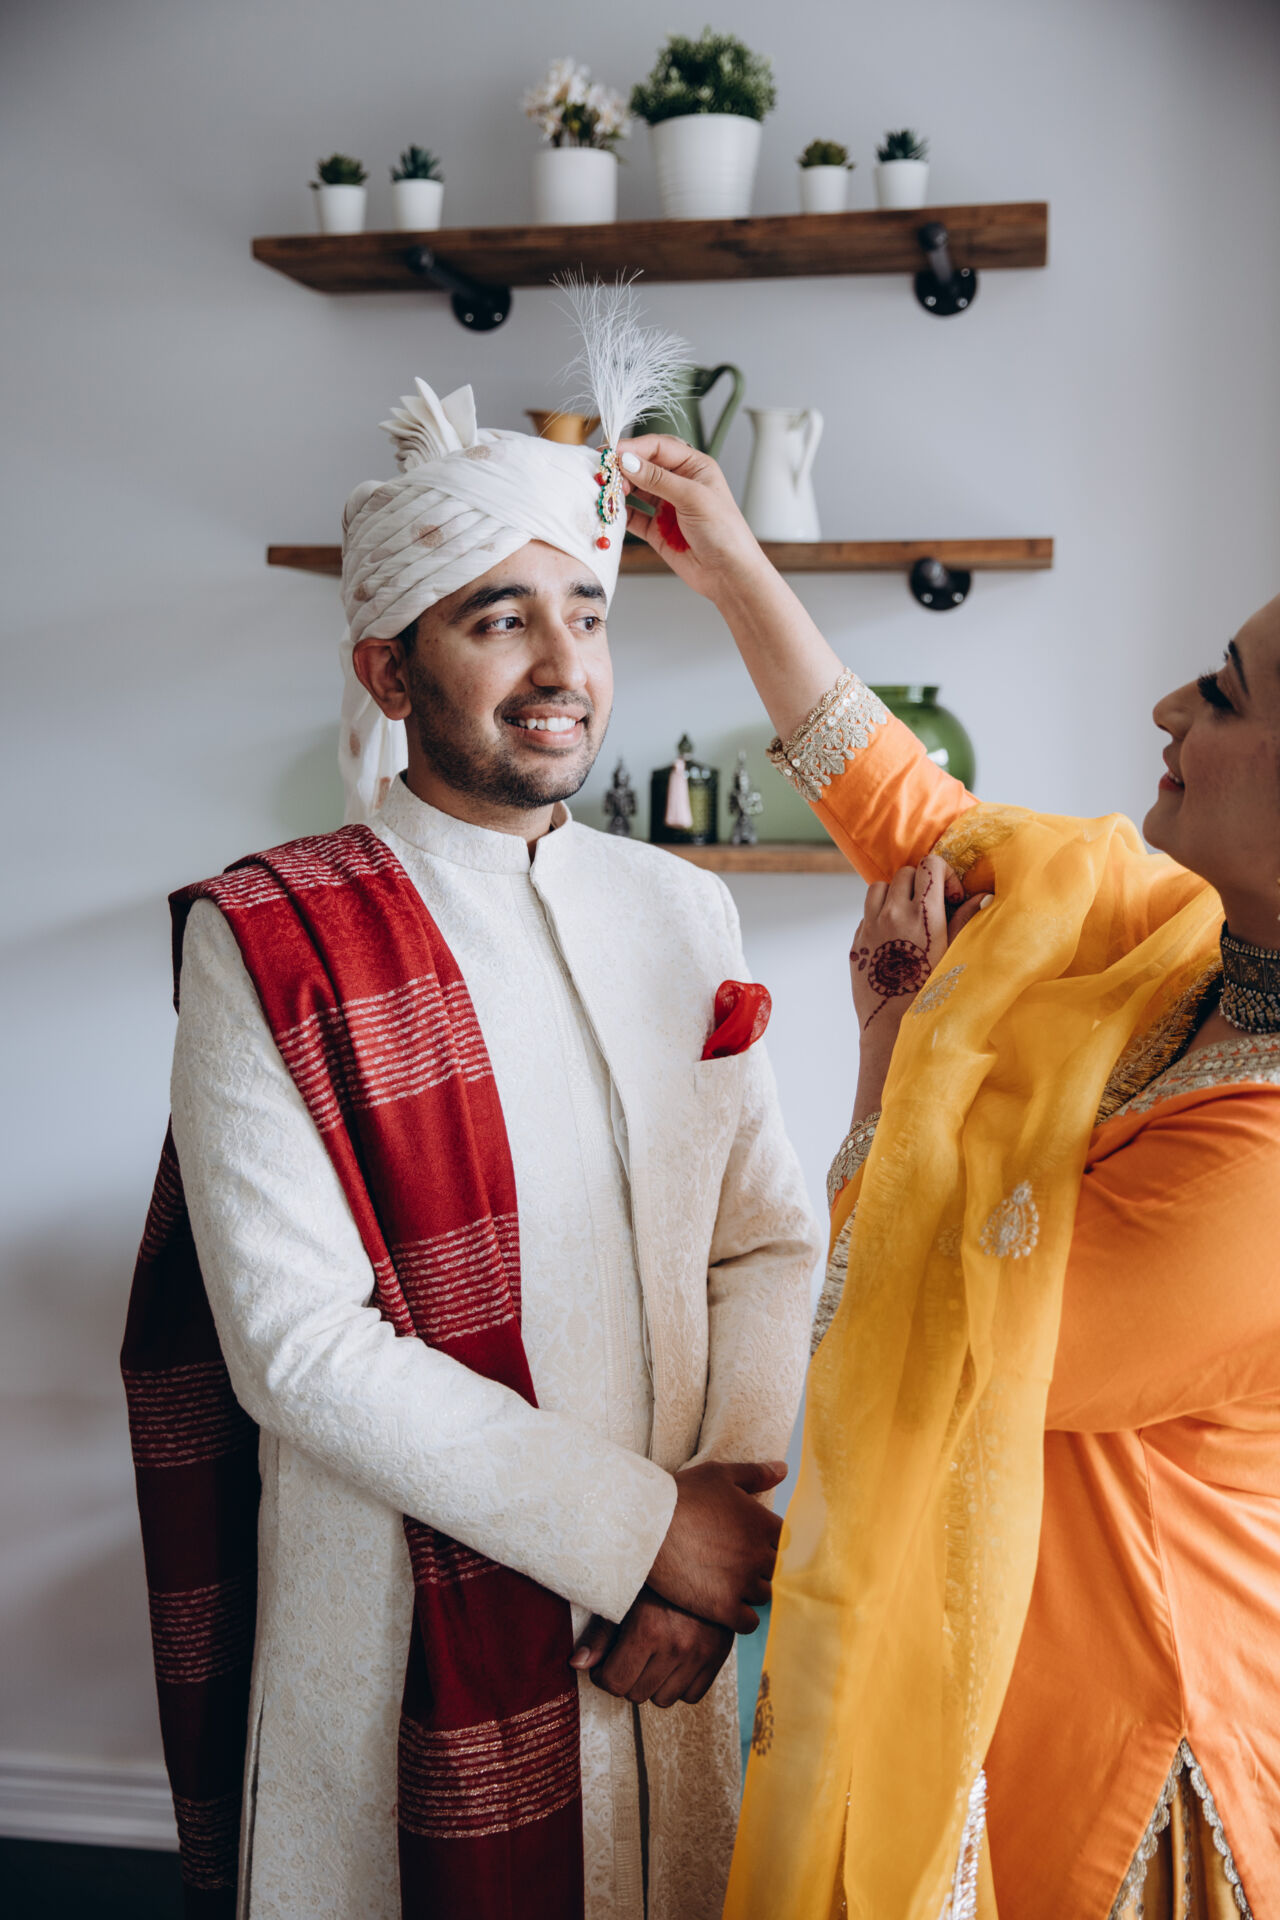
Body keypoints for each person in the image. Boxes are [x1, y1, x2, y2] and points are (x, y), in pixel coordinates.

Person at [120, 368, 820, 1920]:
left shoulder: (682, 908)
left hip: (673, 1634)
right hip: (405, 1617)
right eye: (499, 619)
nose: (563, 667)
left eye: (588, 615)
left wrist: (716, 1519)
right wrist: (650, 1541)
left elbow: (765, 1237)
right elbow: (300, 1350)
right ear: (389, 667)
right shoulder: (273, 936)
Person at [614, 434, 1280, 1920]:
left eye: (1225, 696)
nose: (1169, 708)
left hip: (1128, 1743)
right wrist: (731, 568)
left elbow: (932, 1333)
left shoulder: (1263, 1181)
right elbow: (937, 837)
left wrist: (884, 1057)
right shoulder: (1190, 950)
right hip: (1012, 1681)